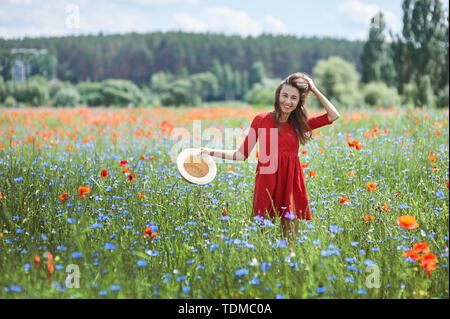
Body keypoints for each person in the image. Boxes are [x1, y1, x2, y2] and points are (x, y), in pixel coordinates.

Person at [200, 72, 340, 239]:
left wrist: (313, 88)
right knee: (262, 234)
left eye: (294, 98)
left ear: (299, 102)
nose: (288, 101)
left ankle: (288, 262)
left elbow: (333, 115)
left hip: (291, 181)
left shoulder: (299, 124)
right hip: (266, 180)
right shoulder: (261, 120)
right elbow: (241, 154)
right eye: (285, 95)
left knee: (291, 238)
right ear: (278, 95)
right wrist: (211, 152)